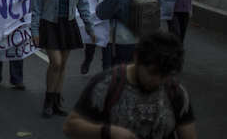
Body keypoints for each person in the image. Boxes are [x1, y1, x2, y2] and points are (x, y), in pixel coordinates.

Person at [63, 30, 196, 139]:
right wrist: (107, 132)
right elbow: (70, 126)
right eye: (152, 73)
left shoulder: (176, 92)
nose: (158, 81)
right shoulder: (106, 85)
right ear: (137, 58)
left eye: (164, 75)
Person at [30, 0, 95, 117]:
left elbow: (83, 5)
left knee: (63, 65)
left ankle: (57, 101)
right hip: (50, 24)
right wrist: (35, 31)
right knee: (56, 63)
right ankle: (48, 101)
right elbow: (36, 8)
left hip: (68, 25)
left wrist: (89, 26)